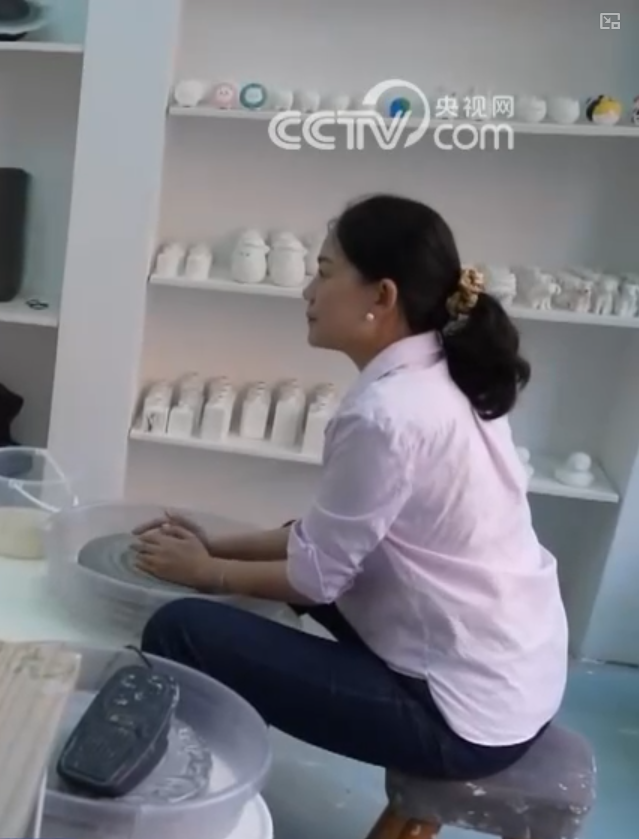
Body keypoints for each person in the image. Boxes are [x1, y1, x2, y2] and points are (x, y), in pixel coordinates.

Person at [134, 193, 566, 781]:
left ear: (381, 296)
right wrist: (216, 544)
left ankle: (187, 792)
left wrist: (206, 572)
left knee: (179, 629)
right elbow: (320, 543)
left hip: (460, 716)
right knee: (295, 546)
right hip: (516, 673)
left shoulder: (389, 413)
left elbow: (315, 579)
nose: (308, 292)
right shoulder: (449, 370)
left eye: (324, 272)